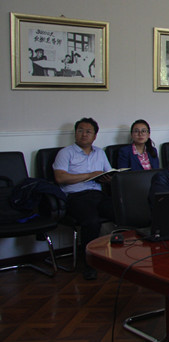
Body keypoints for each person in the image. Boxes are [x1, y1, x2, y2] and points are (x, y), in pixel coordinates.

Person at [53, 117, 116, 280]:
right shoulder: (65, 153)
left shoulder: (100, 152)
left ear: (95, 136)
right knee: (91, 222)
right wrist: (89, 175)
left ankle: (119, 257)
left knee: (121, 212)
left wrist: (108, 178)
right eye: (80, 131)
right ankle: (90, 264)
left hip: (98, 195)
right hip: (76, 197)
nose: (84, 134)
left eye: (88, 132)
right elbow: (60, 178)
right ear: (75, 133)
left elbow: (109, 173)